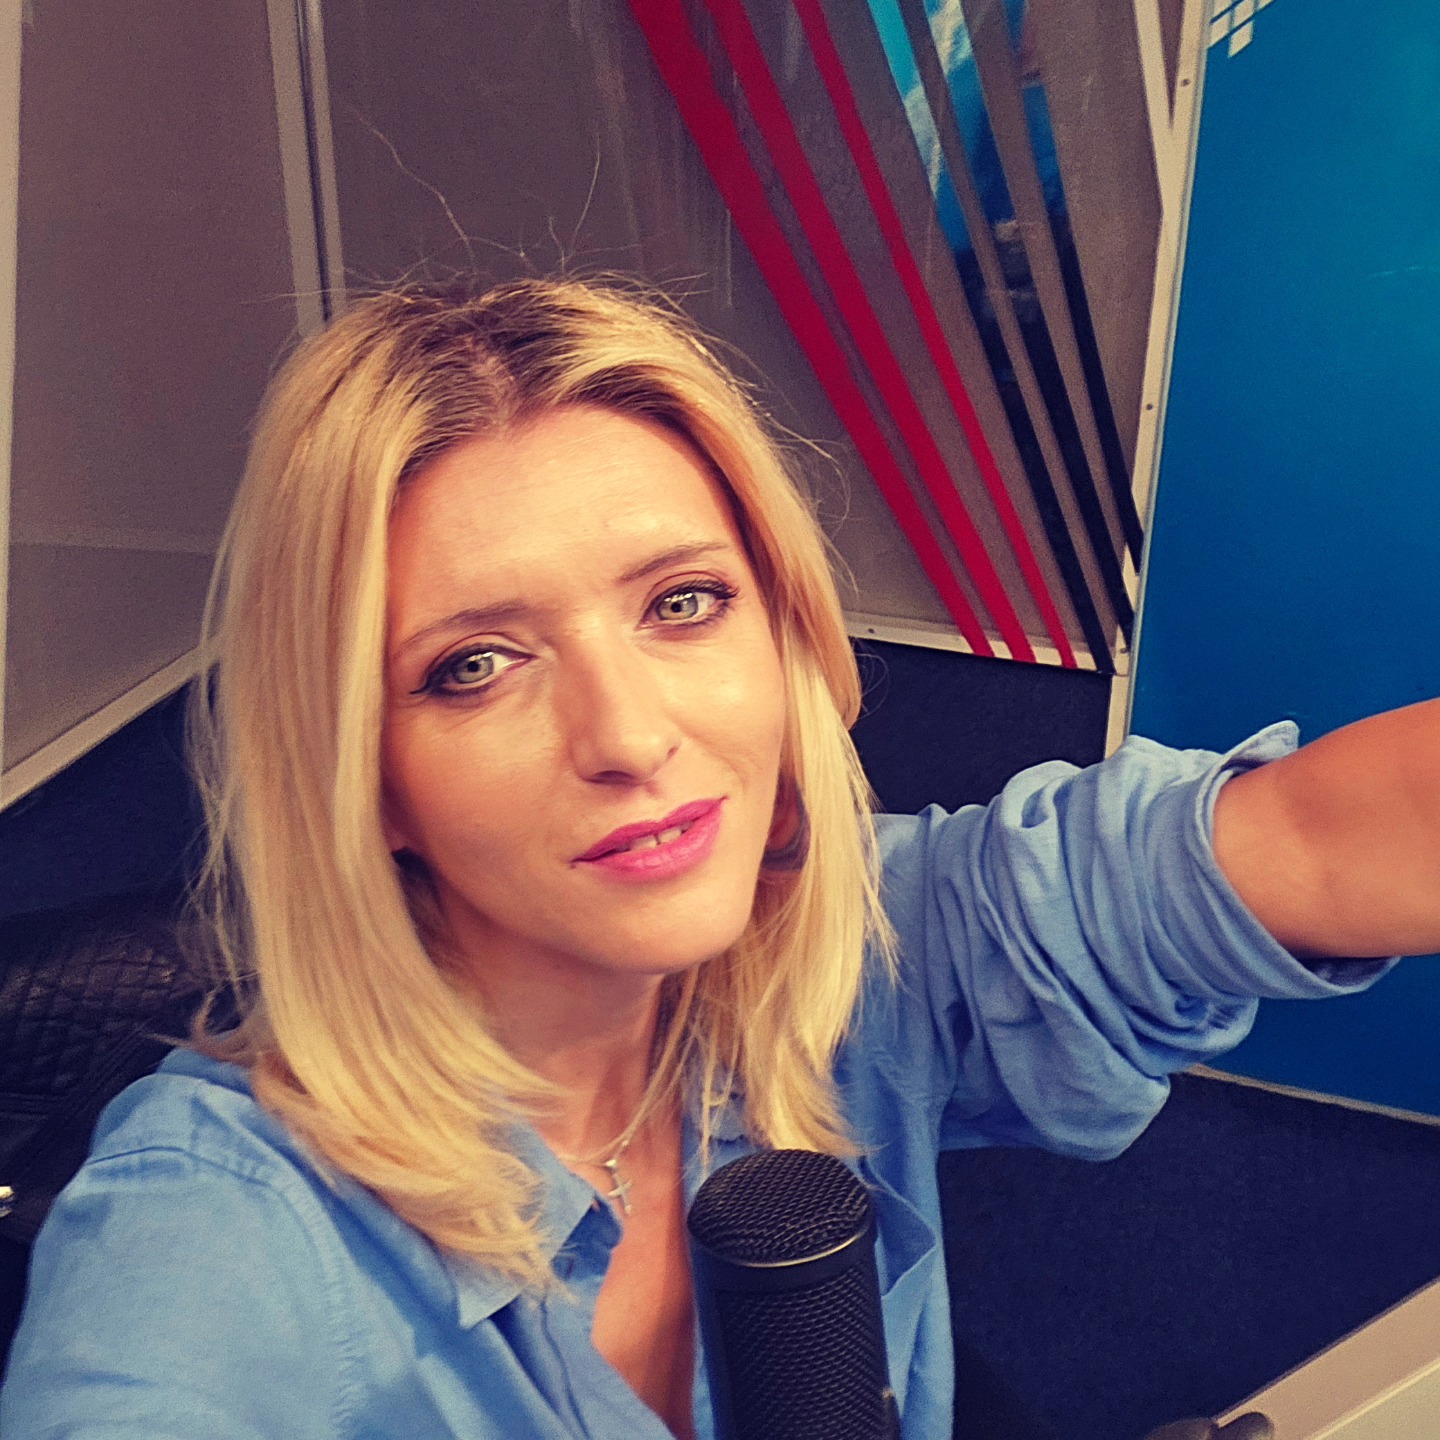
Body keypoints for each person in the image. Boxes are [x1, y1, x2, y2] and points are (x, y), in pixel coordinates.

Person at [1, 276, 1436, 1440]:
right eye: (476, 665)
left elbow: (1317, 841)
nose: (630, 736)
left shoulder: (864, 944)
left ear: (786, 632)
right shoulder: (212, 1241)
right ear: (359, 777)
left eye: (683, 602)